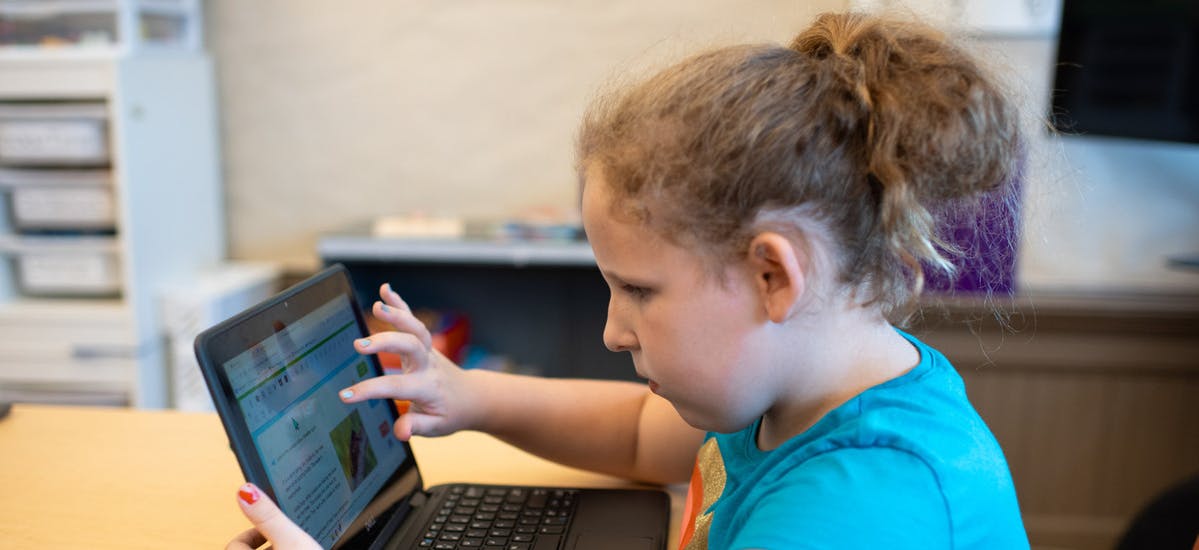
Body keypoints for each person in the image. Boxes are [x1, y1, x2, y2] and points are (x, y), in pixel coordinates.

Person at [229, 11, 1029, 549]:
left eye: (639, 291)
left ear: (771, 276)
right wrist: (466, 395)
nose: (614, 330)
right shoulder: (806, 385)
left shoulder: (853, 512)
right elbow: (644, 436)